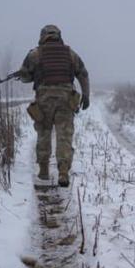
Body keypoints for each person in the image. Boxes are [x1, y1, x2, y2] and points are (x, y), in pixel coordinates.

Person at [18, 24, 89, 187]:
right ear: (59, 36)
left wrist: (32, 74)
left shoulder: (35, 54)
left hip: (44, 100)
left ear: (43, 36)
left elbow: (25, 77)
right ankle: (63, 172)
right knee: (64, 135)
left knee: (44, 133)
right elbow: (83, 73)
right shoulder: (71, 53)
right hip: (66, 100)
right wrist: (86, 95)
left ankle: (43, 171)